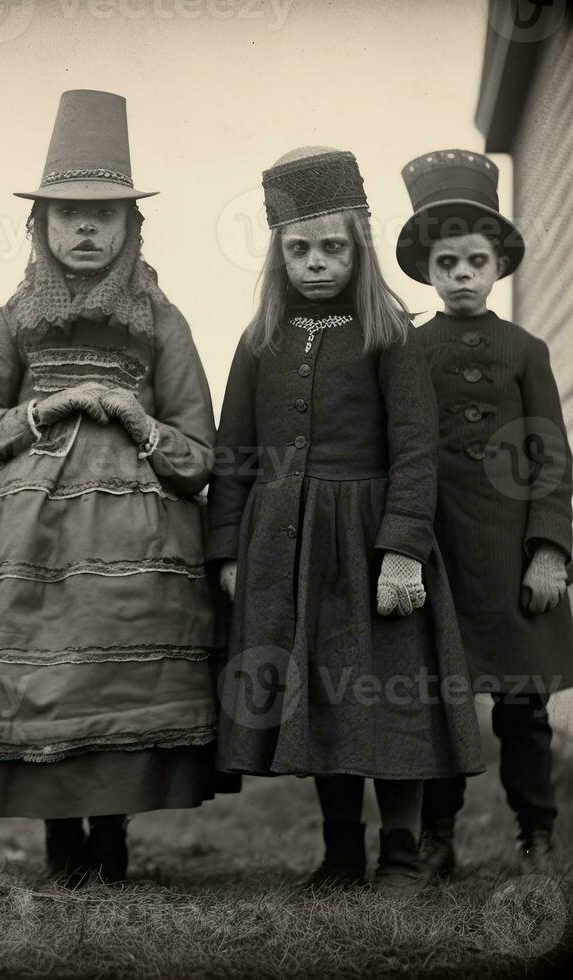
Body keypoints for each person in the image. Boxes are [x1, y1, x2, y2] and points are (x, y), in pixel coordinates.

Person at [0, 89, 224, 885]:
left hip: (135, 547)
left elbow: (199, 452)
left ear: (130, 228)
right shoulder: (14, 319)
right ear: (41, 226)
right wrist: (43, 410)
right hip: (23, 545)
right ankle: (63, 842)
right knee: (44, 675)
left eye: (104, 215)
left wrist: (140, 423)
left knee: (112, 672)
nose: (85, 229)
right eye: (66, 214)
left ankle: (111, 836)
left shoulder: (163, 320)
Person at [208, 147, 484, 892]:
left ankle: (399, 853)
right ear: (278, 255)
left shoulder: (389, 333)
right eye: (299, 249)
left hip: (369, 542)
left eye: (332, 247)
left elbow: (418, 451)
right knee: (323, 698)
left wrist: (402, 550)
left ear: (358, 246)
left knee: (388, 696)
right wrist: (229, 551)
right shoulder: (258, 339)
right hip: (287, 547)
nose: (317, 263)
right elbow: (233, 453)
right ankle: (340, 853)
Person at [397, 149, 573, 874]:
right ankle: (437, 841)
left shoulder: (526, 349)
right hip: (439, 552)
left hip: (512, 557)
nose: (462, 275)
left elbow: (552, 457)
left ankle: (537, 834)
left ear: (498, 265)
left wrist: (549, 550)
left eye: (475, 261)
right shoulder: (410, 346)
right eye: (447, 263)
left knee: (523, 712)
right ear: (429, 270)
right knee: (441, 709)